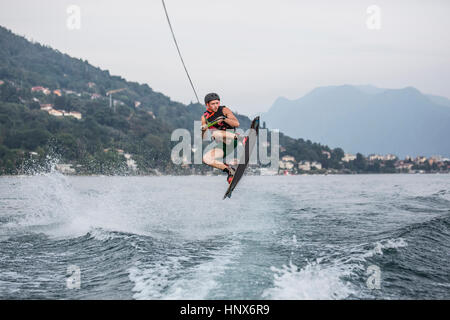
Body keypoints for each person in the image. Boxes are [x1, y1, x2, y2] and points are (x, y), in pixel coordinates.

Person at [201, 93, 241, 184]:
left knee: (215, 133)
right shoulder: (204, 118)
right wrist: (203, 130)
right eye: (213, 104)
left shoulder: (224, 110)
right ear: (207, 105)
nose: (216, 106)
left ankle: (242, 138)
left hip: (232, 139)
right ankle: (230, 171)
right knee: (206, 159)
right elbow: (203, 138)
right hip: (224, 145)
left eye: (217, 103)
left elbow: (236, 124)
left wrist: (224, 119)